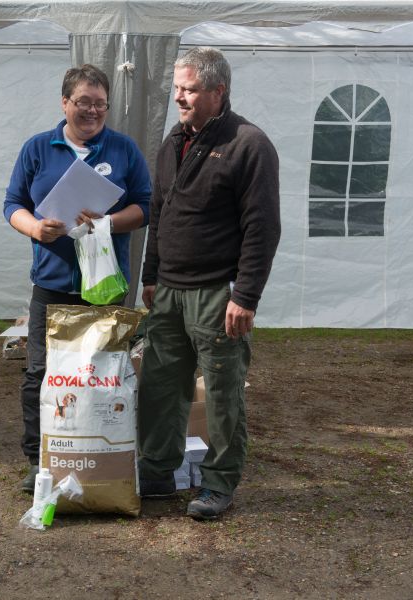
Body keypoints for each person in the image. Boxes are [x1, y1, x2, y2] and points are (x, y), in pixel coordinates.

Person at [137, 47, 281, 519]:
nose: (179, 97)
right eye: (177, 88)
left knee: (221, 391)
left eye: (190, 90)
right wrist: (151, 276)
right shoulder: (171, 143)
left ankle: (219, 483)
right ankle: (157, 469)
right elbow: (158, 217)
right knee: (160, 385)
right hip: (170, 292)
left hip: (218, 292)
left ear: (218, 92)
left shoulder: (248, 144)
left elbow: (262, 226)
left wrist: (246, 295)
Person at [3, 64, 151, 492]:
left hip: (105, 286)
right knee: (42, 373)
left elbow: (146, 206)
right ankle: (39, 457)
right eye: (83, 102)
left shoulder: (123, 150)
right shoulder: (37, 149)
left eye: (100, 104)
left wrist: (108, 221)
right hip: (51, 282)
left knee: (102, 373)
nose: (92, 111)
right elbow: (13, 202)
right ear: (64, 102)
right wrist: (34, 227)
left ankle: (100, 451)